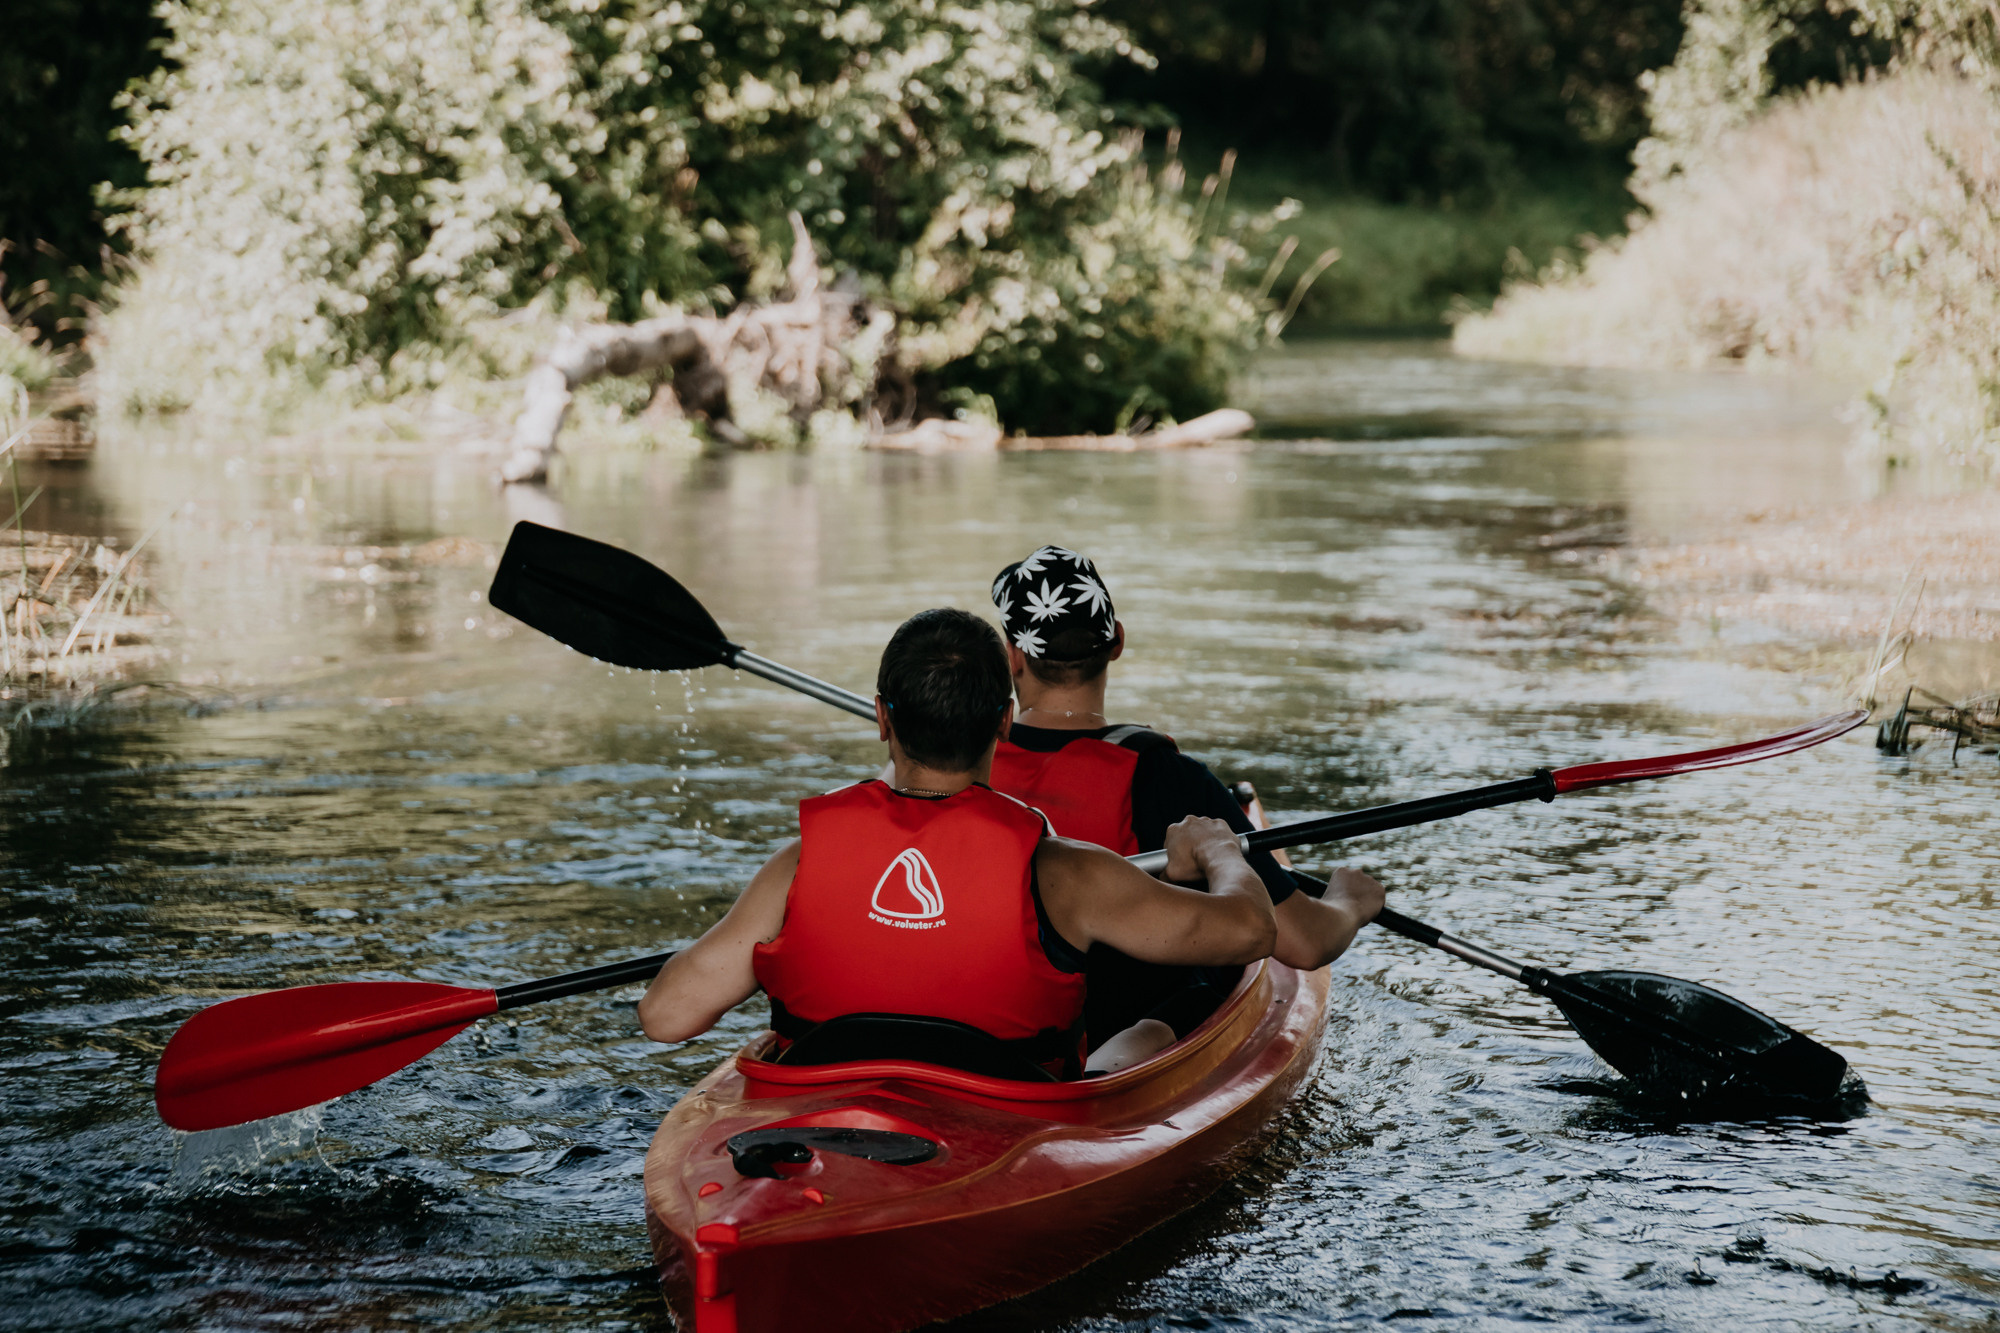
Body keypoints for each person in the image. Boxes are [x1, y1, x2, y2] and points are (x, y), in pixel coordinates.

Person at [637, 608, 1277, 1079]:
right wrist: (1220, 850)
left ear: (882, 718)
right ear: (1004, 721)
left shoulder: (799, 863)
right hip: (1009, 1118)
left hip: (816, 1117)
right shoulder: (1065, 872)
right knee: (1167, 1014)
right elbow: (1252, 931)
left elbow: (664, 1018)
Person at [987, 545, 1384, 1071]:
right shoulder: (1169, 778)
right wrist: (1349, 903)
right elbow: (1305, 944)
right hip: (1113, 1031)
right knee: (1207, 971)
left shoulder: (963, 765)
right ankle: (1126, 1056)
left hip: (999, 1022)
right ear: (1117, 642)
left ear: (1012, 657)